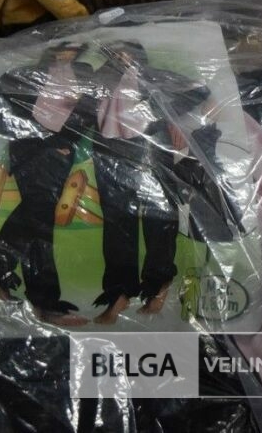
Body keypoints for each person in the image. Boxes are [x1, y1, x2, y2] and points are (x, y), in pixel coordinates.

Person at [87, 40, 214, 324]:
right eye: (115, 54)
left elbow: (198, 89)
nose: (122, 58)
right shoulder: (101, 80)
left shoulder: (154, 77)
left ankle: (158, 284)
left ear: (138, 56)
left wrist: (158, 111)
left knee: (158, 218)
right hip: (109, 151)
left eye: (127, 54)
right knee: (117, 223)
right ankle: (120, 292)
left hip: (150, 148)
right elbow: (80, 107)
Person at [0, 41, 95, 327]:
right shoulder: (25, 74)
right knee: (39, 217)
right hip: (30, 152)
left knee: (39, 221)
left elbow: (90, 111)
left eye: (75, 47)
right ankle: (39, 299)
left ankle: (18, 283)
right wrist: (25, 132)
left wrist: (66, 141)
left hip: (59, 153)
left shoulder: (86, 74)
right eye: (64, 46)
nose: (68, 52)